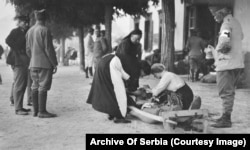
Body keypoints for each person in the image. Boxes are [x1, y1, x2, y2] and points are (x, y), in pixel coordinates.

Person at [86, 53, 151, 123]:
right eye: (144, 74)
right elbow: (123, 89)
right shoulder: (135, 69)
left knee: (109, 90)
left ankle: (112, 113)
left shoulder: (133, 64)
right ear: (142, 69)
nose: (142, 76)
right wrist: (136, 93)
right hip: (111, 64)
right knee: (119, 92)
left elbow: (126, 86)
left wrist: (133, 92)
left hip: (104, 62)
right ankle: (119, 116)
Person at [209, 6, 244, 128]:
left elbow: (224, 42)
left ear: (221, 11)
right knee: (230, 92)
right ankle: (225, 115)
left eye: (214, 13)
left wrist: (217, 50)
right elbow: (241, 37)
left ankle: (226, 119)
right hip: (237, 62)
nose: (214, 17)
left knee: (225, 92)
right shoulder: (236, 22)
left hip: (226, 64)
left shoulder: (226, 25)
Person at [129, 63, 201, 124]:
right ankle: (184, 112)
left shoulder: (166, 76)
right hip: (185, 94)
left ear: (156, 73)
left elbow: (157, 91)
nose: (155, 77)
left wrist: (149, 90)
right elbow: (159, 89)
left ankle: (183, 113)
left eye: (154, 75)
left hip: (183, 96)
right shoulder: (169, 74)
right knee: (162, 97)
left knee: (160, 100)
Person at [26, 9, 58, 118]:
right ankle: (42, 111)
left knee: (34, 86)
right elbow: (49, 49)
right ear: (45, 18)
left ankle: (35, 111)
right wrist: (54, 63)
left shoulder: (29, 31)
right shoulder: (45, 30)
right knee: (43, 87)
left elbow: (28, 50)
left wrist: (33, 59)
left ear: (36, 18)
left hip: (33, 63)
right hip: (44, 64)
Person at [5, 15, 31, 115]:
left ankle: (18, 105)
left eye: (27, 22)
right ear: (19, 22)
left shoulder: (26, 31)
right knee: (19, 84)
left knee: (20, 83)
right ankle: (18, 108)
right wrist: (18, 49)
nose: (26, 24)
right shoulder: (15, 31)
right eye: (24, 22)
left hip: (23, 60)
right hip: (18, 60)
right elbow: (7, 40)